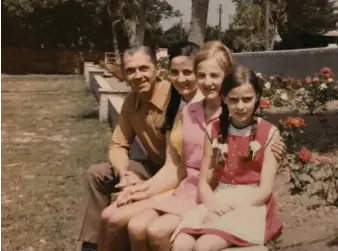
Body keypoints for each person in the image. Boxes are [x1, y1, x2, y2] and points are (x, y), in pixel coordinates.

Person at [125, 42, 286, 251]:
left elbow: (262, 178)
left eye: (214, 76)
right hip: (205, 193)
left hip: (240, 200)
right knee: (153, 233)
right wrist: (144, 190)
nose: (240, 105)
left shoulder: (246, 120)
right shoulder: (201, 120)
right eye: (201, 76)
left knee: (189, 242)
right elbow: (185, 168)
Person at [97, 41, 203, 251]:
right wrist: (132, 181)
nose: (181, 79)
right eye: (175, 72)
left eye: (188, 72)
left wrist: (142, 192)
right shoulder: (181, 109)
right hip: (170, 176)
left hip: (194, 187)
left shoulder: (199, 105)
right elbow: (173, 166)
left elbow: (182, 169)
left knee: (127, 222)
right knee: (109, 213)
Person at [171, 65, 284, 251]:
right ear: (223, 98)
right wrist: (212, 204)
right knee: (181, 244)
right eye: (233, 100)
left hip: (251, 202)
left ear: (257, 96)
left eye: (247, 99)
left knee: (203, 246)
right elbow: (203, 181)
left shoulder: (269, 132)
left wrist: (233, 209)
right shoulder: (214, 130)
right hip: (220, 197)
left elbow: (265, 189)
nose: (240, 106)